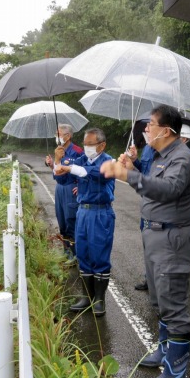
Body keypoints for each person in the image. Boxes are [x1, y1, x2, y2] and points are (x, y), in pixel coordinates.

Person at [101, 105, 190, 378]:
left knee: (174, 306)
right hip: (155, 235)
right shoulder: (159, 157)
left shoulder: (183, 158)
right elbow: (151, 188)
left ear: (166, 130)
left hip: (173, 239)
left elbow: (168, 190)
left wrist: (127, 175)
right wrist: (133, 170)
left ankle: (174, 375)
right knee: (159, 301)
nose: (145, 130)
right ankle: (163, 349)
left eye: (150, 125)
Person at [54, 128, 115, 317]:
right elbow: (62, 179)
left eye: (90, 144)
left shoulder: (109, 162)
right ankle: (87, 297)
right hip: (82, 212)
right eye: (85, 144)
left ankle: (99, 299)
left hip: (100, 212)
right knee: (83, 253)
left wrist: (70, 168)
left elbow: (96, 173)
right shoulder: (81, 160)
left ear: (102, 145)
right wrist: (57, 161)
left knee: (99, 254)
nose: (87, 147)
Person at [45, 124, 83, 265]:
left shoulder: (78, 152)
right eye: (56, 134)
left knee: (71, 219)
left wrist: (81, 186)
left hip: (71, 188)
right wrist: (52, 164)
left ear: (68, 136)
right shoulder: (58, 151)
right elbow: (57, 175)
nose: (57, 137)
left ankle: (76, 253)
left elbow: (85, 170)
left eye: (59, 134)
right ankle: (66, 251)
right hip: (60, 189)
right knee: (61, 220)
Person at [126, 142, 155, 291]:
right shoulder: (148, 148)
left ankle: (160, 283)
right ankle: (149, 278)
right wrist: (135, 160)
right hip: (146, 202)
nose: (146, 131)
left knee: (158, 244)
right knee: (147, 241)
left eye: (149, 129)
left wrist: (130, 173)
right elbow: (144, 170)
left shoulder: (169, 152)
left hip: (159, 204)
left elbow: (157, 182)